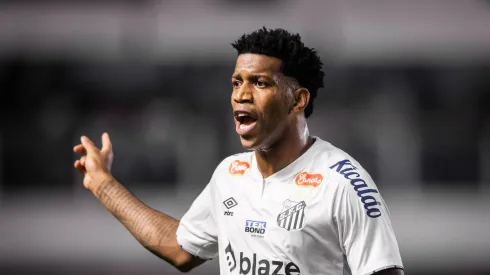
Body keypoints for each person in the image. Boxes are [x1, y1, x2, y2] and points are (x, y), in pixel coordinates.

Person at [73, 27, 404, 275]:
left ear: (298, 100)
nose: (241, 95)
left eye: (260, 83)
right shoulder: (230, 174)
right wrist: (103, 184)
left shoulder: (344, 183)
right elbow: (180, 249)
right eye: (236, 82)